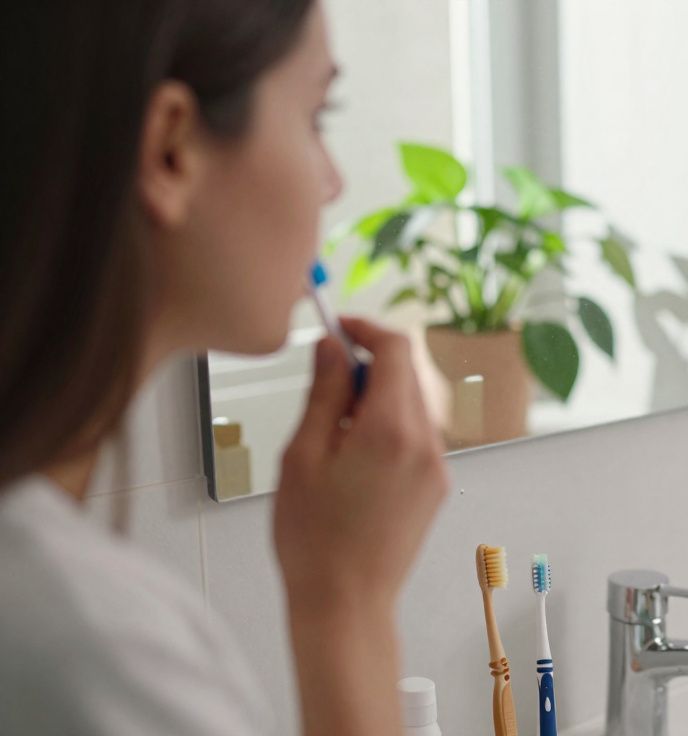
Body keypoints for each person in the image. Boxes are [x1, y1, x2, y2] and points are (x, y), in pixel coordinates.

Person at [0, 1, 449, 734]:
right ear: (171, 148)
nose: (331, 183)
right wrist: (346, 600)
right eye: (316, 117)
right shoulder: (84, 648)